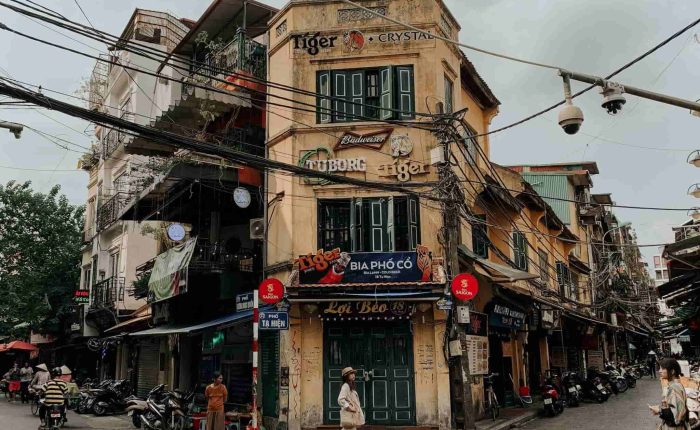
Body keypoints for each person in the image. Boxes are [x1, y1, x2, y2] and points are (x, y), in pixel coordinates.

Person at [649, 358, 689, 429]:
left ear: (672, 371)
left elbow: (676, 416)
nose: (659, 371)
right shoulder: (674, 385)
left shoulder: (674, 387)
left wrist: (659, 411)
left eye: (662, 369)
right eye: (659, 368)